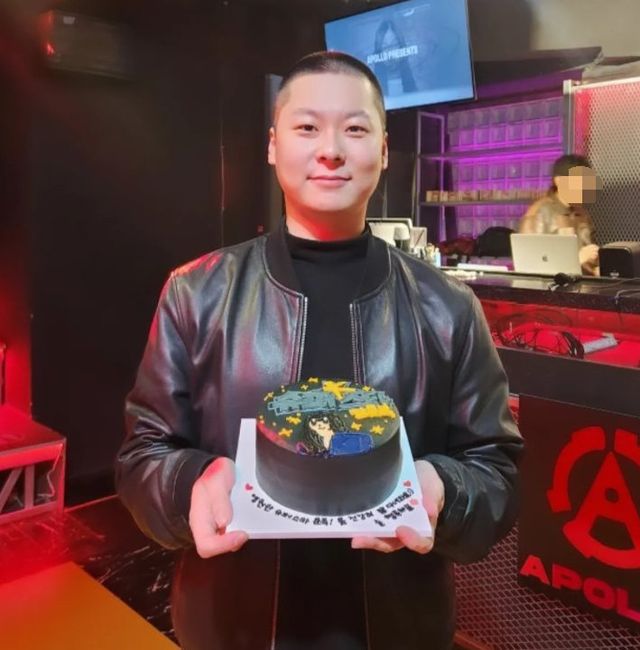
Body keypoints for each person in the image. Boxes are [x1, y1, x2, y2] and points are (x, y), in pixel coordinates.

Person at [116, 51, 523, 650]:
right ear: (273, 145)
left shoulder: (448, 307)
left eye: (354, 129)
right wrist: (190, 484)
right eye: (307, 127)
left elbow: (497, 468)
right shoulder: (197, 293)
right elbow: (143, 453)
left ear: (384, 150)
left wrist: (444, 489)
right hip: (233, 621)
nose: (330, 150)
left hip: (398, 626)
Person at [519, 154, 602, 275]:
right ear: (559, 181)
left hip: (584, 283)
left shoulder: (582, 214)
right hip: (555, 285)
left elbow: (590, 252)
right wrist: (577, 260)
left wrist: (597, 266)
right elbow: (530, 264)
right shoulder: (539, 213)